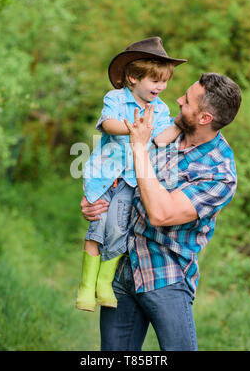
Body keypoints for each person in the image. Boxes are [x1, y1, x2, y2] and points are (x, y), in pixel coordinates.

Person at [80, 72, 242, 351]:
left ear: (205, 118)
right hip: (121, 264)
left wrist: (140, 148)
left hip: (166, 274)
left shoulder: (219, 173)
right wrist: (96, 199)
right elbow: (119, 169)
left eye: (188, 100)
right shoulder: (164, 129)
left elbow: (161, 214)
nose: (178, 99)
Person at [75, 37, 187, 312]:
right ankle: (86, 286)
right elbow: (108, 124)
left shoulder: (160, 109)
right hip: (103, 175)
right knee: (97, 226)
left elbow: (160, 139)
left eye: (164, 82)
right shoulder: (115, 98)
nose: (160, 87)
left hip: (130, 179)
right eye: (155, 81)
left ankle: (104, 282)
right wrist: (133, 129)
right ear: (133, 78)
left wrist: (181, 123)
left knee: (117, 228)